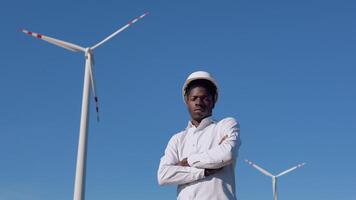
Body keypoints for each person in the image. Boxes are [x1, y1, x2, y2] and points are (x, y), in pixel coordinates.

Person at [157, 71, 241, 200]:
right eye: (193, 98)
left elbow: (227, 154)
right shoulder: (177, 139)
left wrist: (189, 161)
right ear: (187, 102)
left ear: (213, 101)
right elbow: (164, 175)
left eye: (205, 98)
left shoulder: (226, 125)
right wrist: (203, 171)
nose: (199, 102)